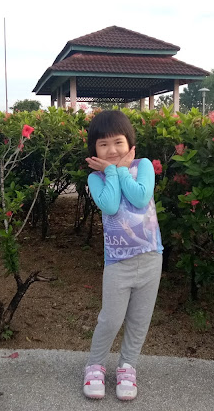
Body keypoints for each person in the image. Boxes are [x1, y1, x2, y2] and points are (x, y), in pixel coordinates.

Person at [83, 109, 163, 401]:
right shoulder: (96, 178)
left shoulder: (143, 166)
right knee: (111, 319)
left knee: (140, 319)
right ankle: (95, 365)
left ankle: (128, 366)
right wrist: (112, 172)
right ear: (94, 149)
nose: (112, 150)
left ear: (130, 143)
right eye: (103, 144)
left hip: (150, 257)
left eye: (118, 142)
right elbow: (110, 205)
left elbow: (140, 197)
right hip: (117, 262)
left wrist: (119, 171)